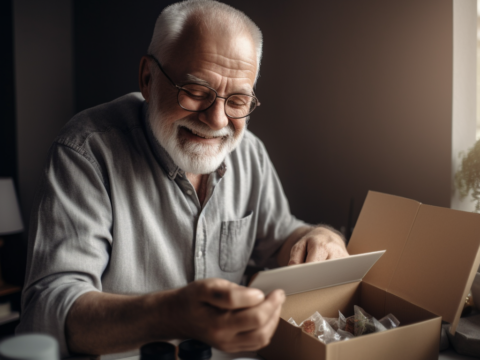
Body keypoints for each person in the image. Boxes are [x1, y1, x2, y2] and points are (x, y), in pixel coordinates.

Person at [17, 0, 348, 357]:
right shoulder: (86, 151)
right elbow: (47, 311)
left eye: (237, 100)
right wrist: (168, 315)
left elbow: (282, 234)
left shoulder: (249, 152)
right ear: (147, 78)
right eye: (196, 92)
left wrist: (318, 235)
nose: (217, 120)